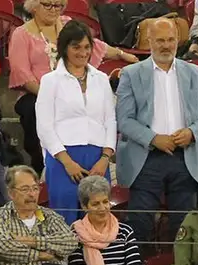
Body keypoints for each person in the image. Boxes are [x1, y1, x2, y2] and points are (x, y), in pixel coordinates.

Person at [115, 19, 198, 242]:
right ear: (149, 41)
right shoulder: (131, 74)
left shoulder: (195, 72)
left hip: (186, 158)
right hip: (146, 158)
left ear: (178, 41)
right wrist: (153, 139)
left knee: (184, 227)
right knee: (139, 224)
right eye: (160, 40)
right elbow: (124, 120)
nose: (166, 45)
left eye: (170, 40)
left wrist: (191, 133)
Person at [9, 0, 136, 172]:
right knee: (33, 109)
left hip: (75, 87)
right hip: (36, 92)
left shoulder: (66, 24)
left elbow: (94, 45)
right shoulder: (21, 34)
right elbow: (22, 73)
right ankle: (41, 165)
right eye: (48, 5)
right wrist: (51, 94)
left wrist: (122, 54)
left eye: (58, 5)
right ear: (33, 6)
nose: (54, 10)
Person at [37, 21, 118, 224]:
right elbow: (45, 126)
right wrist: (67, 162)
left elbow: (110, 119)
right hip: (63, 158)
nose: (82, 53)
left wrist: (105, 158)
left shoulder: (101, 79)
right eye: (76, 47)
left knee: (97, 219)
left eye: (86, 47)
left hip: (97, 158)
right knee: (66, 219)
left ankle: (95, 257)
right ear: (65, 48)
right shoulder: (50, 81)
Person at [66, 176, 150, 265]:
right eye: (95, 204)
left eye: (105, 202)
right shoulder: (75, 235)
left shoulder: (125, 231)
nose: (102, 208)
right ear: (84, 206)